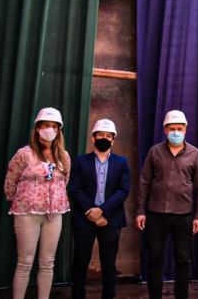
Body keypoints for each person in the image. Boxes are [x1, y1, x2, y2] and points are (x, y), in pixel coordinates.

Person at [136, 110, 198, 299]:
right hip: (156, 213)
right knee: (155, 257)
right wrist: (141, 210)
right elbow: (144, 181)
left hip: (183, 215)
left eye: (179, 128)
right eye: (172, 128)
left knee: (183, 259)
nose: (176, 132)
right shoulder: (154, 152)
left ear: (185, 129)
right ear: (165, 130)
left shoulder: (196, 155)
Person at [4, 107, 71, 299]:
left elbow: (64, 181)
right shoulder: (24, 154)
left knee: (48, 262)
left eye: (54, 127)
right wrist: (22, 199)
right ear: (38, 128)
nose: (50, 130)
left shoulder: (63, 156)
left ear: (59, 130)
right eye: (46, 125)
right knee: (25, 261)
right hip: (27, 213)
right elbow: (11, 180)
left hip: (54, 214)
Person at [69, 118, 131, 299]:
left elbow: (123, 190)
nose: (104, 138)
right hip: (84, 218)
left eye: (108, 136)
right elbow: (75, 188)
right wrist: (91, 210)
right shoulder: (80, 161)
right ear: (93, 138)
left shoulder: (121, 162)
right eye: (100, 135)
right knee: (80, 262)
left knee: (109, 264)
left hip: (111, 219)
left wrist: (102, 211)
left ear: (113, 140)